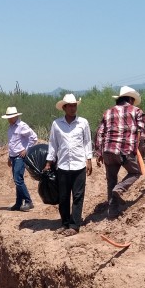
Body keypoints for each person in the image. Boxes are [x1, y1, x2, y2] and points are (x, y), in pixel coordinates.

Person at [95, 86, 145, 219]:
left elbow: (99, 132)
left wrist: (99, 152)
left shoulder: (108, 112)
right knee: (135, 172)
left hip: (108, 150)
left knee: (111, 180)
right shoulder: (136, 111)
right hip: (125, 150)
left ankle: (113, 211)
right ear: (130, 99)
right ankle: (120, 189)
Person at [44, 93, 93, 236]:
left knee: (78, 196)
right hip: (63, 165)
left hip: (79, 165)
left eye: (74, 105)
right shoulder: (57, 124)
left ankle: (74, 225)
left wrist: (89, 159)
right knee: (64, 197)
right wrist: (49, 162)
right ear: (64, 108)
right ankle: (65, 223)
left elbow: (87, 142)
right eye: (70, 106)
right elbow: (53, 144)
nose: (73, 108)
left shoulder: (83, 123)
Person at [2, 106, 38, 211]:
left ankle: (28, 201)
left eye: (11, 117)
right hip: (13, 156)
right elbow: (12, 143)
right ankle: (18, 203)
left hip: (20, 156)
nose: (9, 119)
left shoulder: (22, 126)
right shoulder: (10, 128)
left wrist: (26, 149)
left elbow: (34, 137)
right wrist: (9, 156)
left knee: (18, 179)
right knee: (17, 179)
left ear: (16, 116)